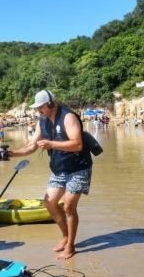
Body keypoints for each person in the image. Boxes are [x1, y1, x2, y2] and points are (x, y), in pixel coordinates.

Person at [8, 90, 92, 260]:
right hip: (59, 169)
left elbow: (77, 145)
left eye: (40, 107)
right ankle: (65, 235)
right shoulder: (42, 121)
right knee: (49, 202)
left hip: (78, 168)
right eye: (37, 108)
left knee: (69, 206)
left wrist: (51, 144)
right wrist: (10, 154)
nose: (39, 110)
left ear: (51, 104)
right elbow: (31, 147)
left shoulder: (68, 117)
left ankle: (71, 246)